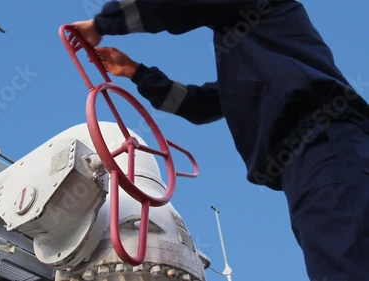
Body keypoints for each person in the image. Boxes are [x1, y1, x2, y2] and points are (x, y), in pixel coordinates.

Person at [71, 1, 369, 280]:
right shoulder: (251, 56)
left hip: (325, 145)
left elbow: (180, 6)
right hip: (310, 163)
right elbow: (199, 106)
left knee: (344, 264)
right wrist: (136, 72)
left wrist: (102, 23)